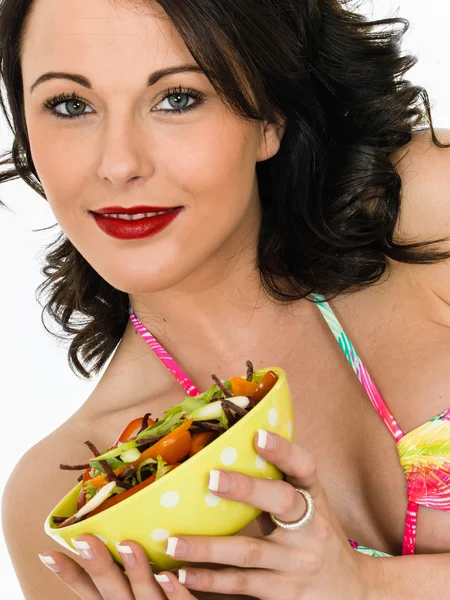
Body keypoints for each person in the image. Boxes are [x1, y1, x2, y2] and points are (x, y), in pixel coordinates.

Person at [1, 0, 450, 597]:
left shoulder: (427, 210)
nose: (119, 164)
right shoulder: (77, 505)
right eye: (70, 105)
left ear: (270, 117)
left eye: (178, 97)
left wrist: (373, 588)